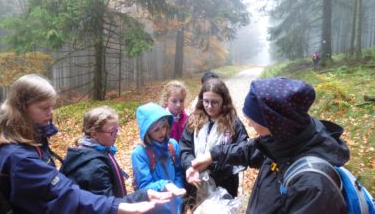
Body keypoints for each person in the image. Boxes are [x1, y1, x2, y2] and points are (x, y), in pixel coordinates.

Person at [0, 74, 172, 214]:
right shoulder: (19, 157)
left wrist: (142, 195)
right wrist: (119, 206)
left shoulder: (31, 142)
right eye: (44, 108)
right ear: (22, 108)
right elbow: (63, 195)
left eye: (52, 106)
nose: (51, 113)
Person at [191, 77, 350, 213]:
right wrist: (212, 155)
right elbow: (252, 149)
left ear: (275, 123)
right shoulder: (286, 140)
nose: (249, 122)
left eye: (253, 118)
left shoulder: (313, 186)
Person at [179, 78, 249, 208]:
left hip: (223, 184)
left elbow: (242, 152)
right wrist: (190, 166)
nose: (209, 106)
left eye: (215, 102)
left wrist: (213, 166)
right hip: (196, 182)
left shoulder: (233, 123)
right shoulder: (194, 120)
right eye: (206, 101)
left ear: (224, 102)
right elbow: (185, 148)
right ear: (201, 100)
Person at [60, 106, 154, 202]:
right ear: (94, 134)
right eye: (112, 131)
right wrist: (143, 196)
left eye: (117, 130)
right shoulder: (94, 166)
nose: (117, 134)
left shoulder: (97, 151)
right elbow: (107, 206)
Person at [131, 102, 186, 214]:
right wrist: (165, 185)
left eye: (164, 127)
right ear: (147, 132)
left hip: (176, 205)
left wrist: (177, 190)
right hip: (155, 207)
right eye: (156, 130)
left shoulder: (172, 145)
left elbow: (179, 171)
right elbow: (144, 186)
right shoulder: (140, 154)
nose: (162, 132)